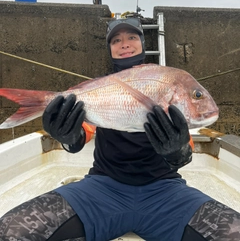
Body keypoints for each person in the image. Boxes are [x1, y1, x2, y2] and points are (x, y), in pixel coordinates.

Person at [0, 17, 239, 241]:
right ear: (110, 48)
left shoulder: (167, 80)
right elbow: (81, 135)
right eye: (116, 40)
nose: (124, 44)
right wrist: (68, 135)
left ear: (143, 43)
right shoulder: (100, 88)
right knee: (10, 229)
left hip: (165, 193)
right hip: (102, 189)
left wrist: (176, 151)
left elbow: (184, 152)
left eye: (131, 38)